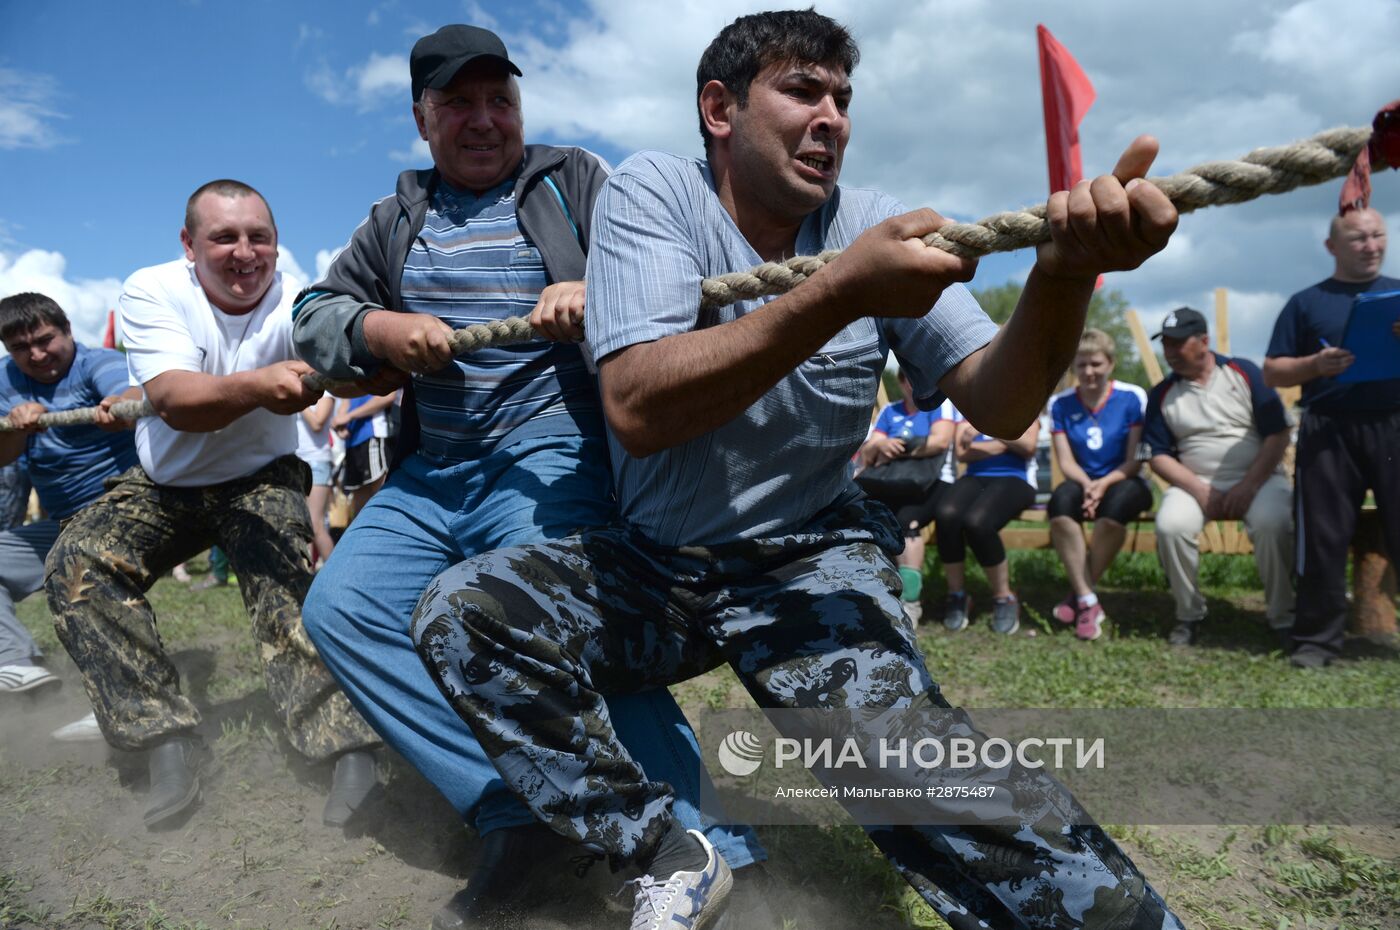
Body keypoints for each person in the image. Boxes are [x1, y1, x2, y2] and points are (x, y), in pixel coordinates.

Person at [411, 11, 1184, 929]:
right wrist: (840, 291)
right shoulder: (655, 195)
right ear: (719, 109)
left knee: (918, 773)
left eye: (843, 99)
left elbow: (1003, 403)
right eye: (802, 91)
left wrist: (1064, 277)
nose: (832, 118)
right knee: (467, 618)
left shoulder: (871, 225)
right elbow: (639, 408)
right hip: (659, 565)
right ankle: (659, 850)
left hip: (810, 558)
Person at [291, 24, 764, 928]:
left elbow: (683, 250)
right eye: (458, 104)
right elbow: (314, 315)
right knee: (341, 610)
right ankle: (515, 807)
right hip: (436, 470)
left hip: (552, 453)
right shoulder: (394, 219)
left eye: (498, 100)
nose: (483, 120)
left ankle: (716, 847)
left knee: (559, 618)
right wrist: (377, 332)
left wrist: (601, 288)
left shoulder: (577, 180)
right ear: (423, 120)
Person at [44, 181, 380, 830]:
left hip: (261, 473)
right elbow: (173, 399)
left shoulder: (297, 296)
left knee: (285, 581)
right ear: (188, 245)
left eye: (260, 237)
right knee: (77, 564)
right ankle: (162, 736)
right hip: (166, 482)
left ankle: (344, 745)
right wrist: (258, 385)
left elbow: (353, 345)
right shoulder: (152, 289)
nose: (245, 253)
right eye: (224, 237)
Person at [1263, 207, 1400, 668]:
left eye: (1378, 235)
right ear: (1332, 247)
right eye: (1359, 238)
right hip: (1328, 429)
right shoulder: (1306, 302)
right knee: (1321, 537)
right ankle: (1316, 642)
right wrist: (1314, 366)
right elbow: (1272, 370)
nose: (1371, 245)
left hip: (1394, 424)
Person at [0, 292, 141, 717]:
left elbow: (130, 396)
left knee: (80, 574)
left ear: (68, 332)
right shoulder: (6, 378)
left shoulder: (96, 361)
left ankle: (122, 703)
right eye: (21, 347)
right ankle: (16, 663)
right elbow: (2, 456)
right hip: (63, 523)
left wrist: (117, 407)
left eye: (46, 340)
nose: (37, 354)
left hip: (125, 511)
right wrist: (18, 428)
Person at [1144, 307, 1295, 647]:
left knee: (1273, 522)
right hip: (1195, 484)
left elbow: (1278, 434)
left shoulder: (1244, 373)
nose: (1169, 352)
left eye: (1177, 344)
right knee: (1171, 525)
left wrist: (1248, 485)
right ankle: (1188, 614)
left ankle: (1283, 616)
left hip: (1258, 479)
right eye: (1165, 344)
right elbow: (1157, 455)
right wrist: (1199, 489)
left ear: (1204, 342)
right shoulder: (1162, 393)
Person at [1047, 329, 1153, 640]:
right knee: (1060, 505)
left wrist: (1103, 484)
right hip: (1082, 479)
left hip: (1125, 478)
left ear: (1110, 364)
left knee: (1113, 511)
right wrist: (1089, 485)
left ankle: (1078, 595)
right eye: (1081, 365)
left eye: (1095, 364)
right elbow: (1066, 463)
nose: (1089, 372)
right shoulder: (1060, 404)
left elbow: (1136, 460)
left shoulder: (1132, 397)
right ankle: (1089, 600)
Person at [855, 369, 957, 623]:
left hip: (933, 483)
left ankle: (911, 601)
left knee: (906, 522)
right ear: (901, 383)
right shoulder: (890, 411)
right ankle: (876, 594)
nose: (915, 385)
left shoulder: (939, 407)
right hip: (893, 483)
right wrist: (880, 444)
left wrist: (900, 447)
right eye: (909, 380)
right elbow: (869, 453)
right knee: (868, 519)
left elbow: (940, 442)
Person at [933, 418, 1039, 634]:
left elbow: (1028, 447)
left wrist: (987, 429)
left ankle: (1004, 597)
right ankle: (957, 595)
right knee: (946, 514)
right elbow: (963, 453)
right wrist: (1008, 441)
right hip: (975, 477)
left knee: (978, 522)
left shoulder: (1022, 408)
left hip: (1016, 479)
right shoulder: (973, 409)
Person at [331, 392, 396, 517]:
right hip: (352, 442)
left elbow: (388, 396)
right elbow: (346, 401)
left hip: (373, 435)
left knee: (382, 503)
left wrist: (349, 416)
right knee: (360, 511)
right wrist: (340, 423)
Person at [296, 395, 337, 566]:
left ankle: (336, 574)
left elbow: (317, 422)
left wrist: (298, 401)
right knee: (301, 526)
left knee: (315, 525)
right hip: (297, 462)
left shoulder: (326, 392)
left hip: (317, 462)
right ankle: (307, 576)